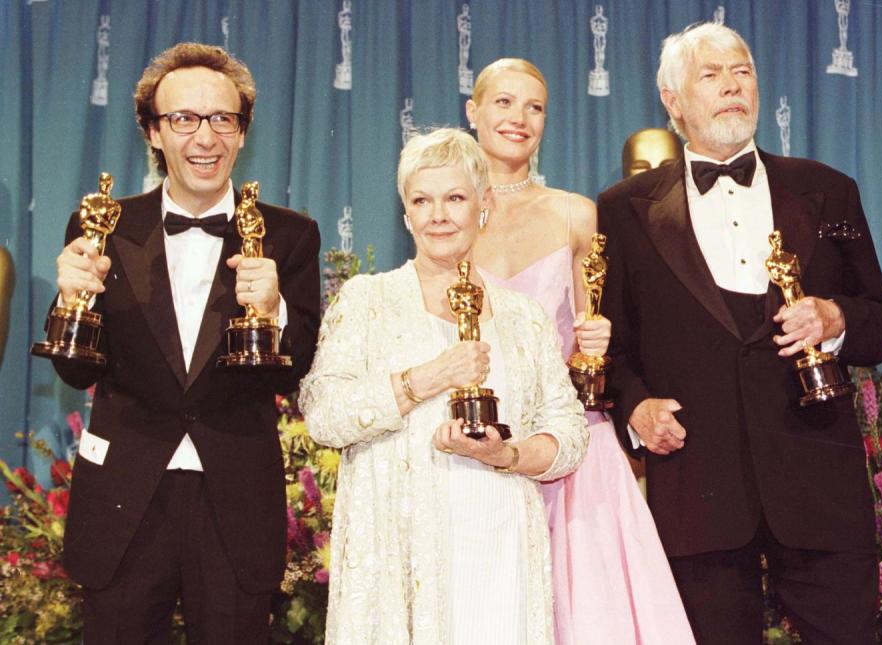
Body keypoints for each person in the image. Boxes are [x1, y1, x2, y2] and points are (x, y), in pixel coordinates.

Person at [599, 22, 882, 644]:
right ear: (673, 101)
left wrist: (837, 320)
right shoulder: (622, 209)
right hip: (697, 494)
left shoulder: (827, 190)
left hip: (820, 488)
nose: (732, 85)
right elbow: (613, 350)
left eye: (742, 71)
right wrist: (637, 409)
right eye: (710, 75)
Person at [50, 42, 322, 643]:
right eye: (183, 119)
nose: (206, 138)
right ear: (152, 131)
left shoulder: (290, 235)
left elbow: (294, 370)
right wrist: (70, 299)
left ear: (244, 132)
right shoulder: (102, 224)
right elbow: (72, 373)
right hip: (124, 499)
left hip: (235, 501)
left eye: (223, 119)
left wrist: (272, 307)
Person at [299, 127, 588, 645]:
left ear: (484, 205)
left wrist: (507, 454)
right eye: (421, 200)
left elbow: (568, 435)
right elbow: (324, 415)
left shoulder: (524, 317)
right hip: (400, 559)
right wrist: (430, 377)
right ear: (406, 213)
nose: (438, 215)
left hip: (501, 550)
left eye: (455, 198)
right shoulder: (367, 301)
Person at [466, 58, 694, 644]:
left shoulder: (574, 213)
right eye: (504, 103)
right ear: (473, 112)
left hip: (572, 452)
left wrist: (596, 339)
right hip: (474, 445)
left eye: (535, 107)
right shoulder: (447, 214)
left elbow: (595, 327)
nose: (519, 118)